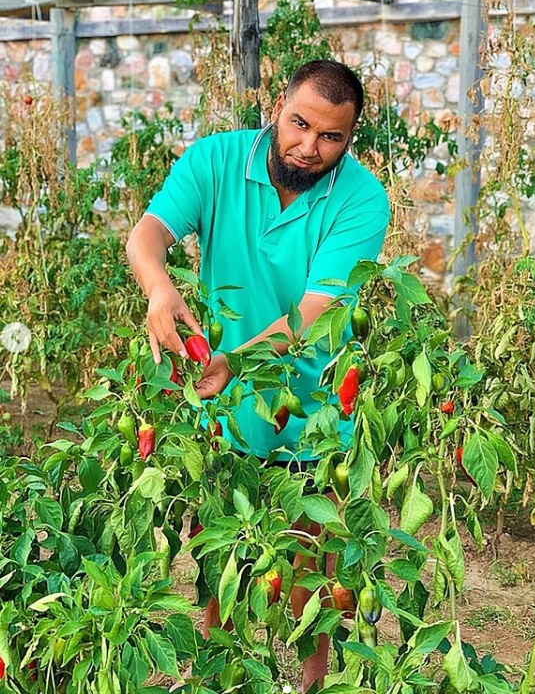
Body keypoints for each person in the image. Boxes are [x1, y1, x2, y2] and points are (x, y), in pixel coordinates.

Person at [126, 59, 390, 692]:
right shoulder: (215, 162)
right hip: (226, 411)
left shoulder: (360, 200)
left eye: (331, 137)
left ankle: (310, 688)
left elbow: (312, 313)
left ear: (350, 139)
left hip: (316, 414)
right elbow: (147, 236)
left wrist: (233, 360)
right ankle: (223, 681)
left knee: (308, 585)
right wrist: (159, 288)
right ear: (278, 104)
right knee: (224, 566)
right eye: (299, 124)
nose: (308, 147)